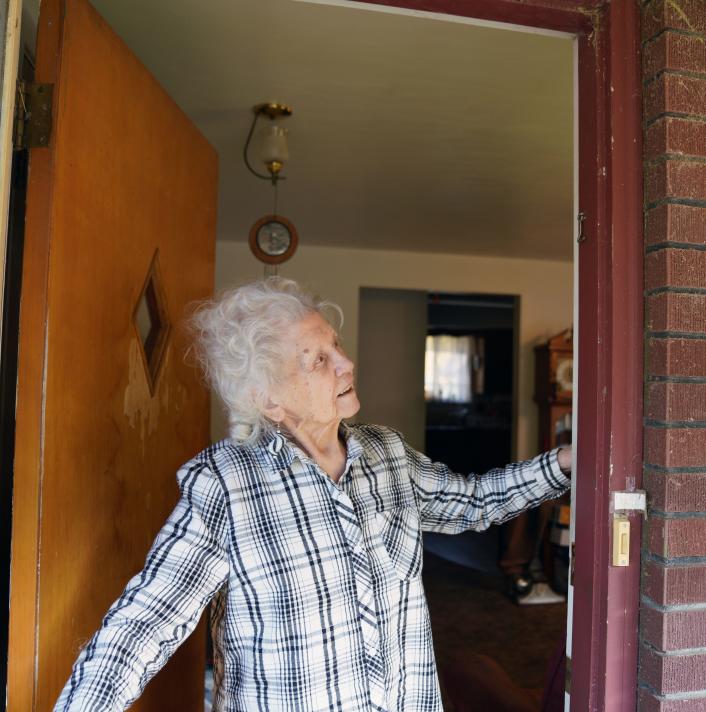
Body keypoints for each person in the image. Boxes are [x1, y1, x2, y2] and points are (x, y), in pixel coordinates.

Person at [54, 277, 572, 712]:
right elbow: (144, 626)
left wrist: (565, 463)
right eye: (317, 359)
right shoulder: (227, 484)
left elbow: (473, 501)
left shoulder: (386, 453)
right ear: (268, 399)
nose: (346, 364)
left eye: (337, 345)